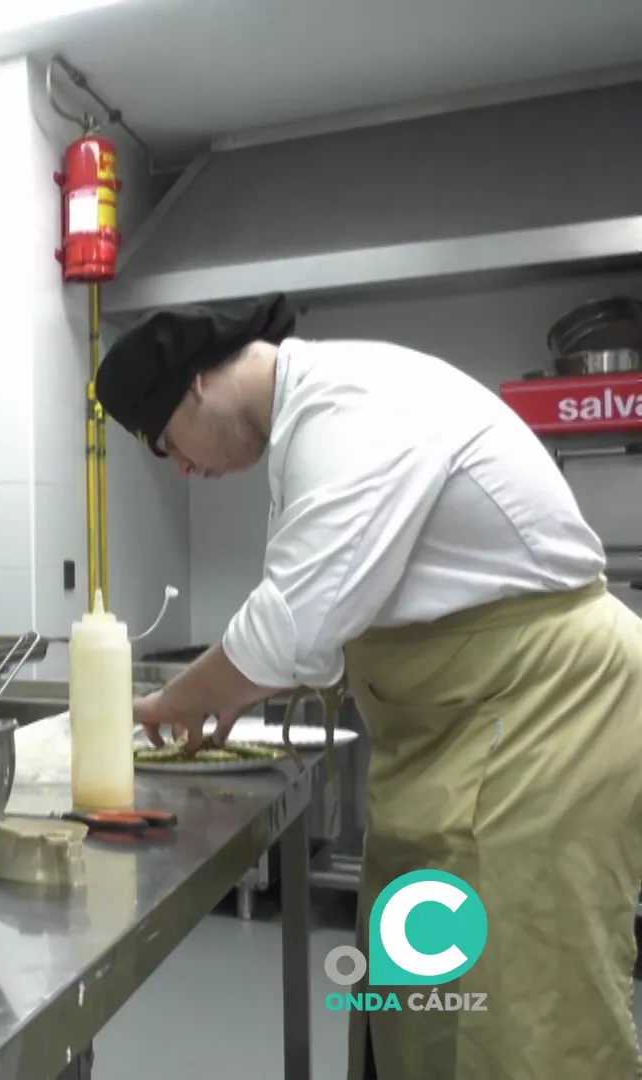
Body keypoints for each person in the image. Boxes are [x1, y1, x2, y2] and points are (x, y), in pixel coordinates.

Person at [93, 293, 642, 1079]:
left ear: (197, 386)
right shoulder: (306, 432)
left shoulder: (350, 410)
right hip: (453, 743)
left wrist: (172, 702)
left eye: (165, 442)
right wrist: (235, 693)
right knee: (418, 999)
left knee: (529, 1015)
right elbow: (324, 620)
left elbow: (291, 626)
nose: (182, 467)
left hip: (544, 718)